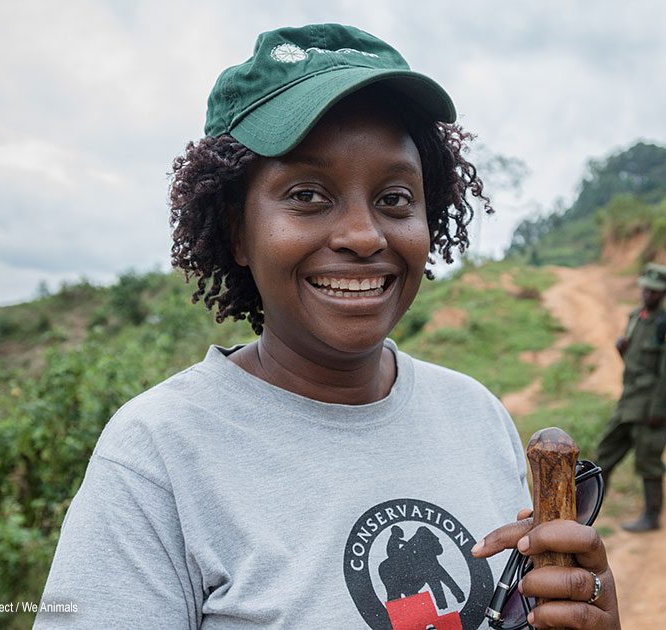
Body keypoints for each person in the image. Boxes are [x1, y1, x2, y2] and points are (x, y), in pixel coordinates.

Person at [34, 24, 619, 629]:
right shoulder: (160, 456)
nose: (365, 236)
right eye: (309, 195)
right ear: (237, 229)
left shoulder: (475, 414)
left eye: (395, 199)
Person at [595, 262, 666, 533]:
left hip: (650, 408)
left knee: (648, 462)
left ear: (664, 292)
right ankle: (586, 512)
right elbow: (636, 363)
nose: (649, 295)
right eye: (646, 289)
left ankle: (652, 517)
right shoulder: (636, 317)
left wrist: (660, 410)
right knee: (604, 455)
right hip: (628, 402)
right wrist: (622, 350)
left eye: (655, 291)